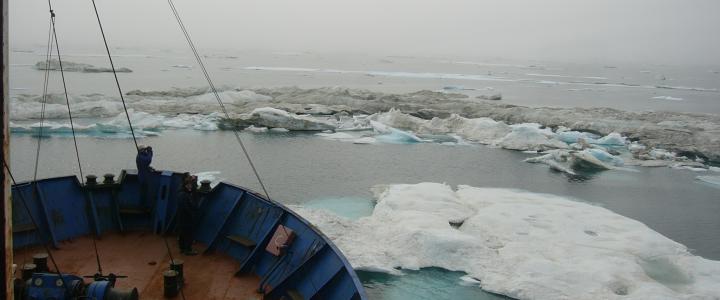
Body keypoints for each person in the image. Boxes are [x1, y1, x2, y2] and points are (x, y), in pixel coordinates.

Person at [178, 173, 200, 256]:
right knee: (188, 233)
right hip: (186, 217)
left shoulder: (182, 192)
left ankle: (182, 249)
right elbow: (186, 207)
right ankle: (188, 250)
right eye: (189, 185)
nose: (190, 187)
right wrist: (192, 213)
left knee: (183, 233)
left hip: (183, 217)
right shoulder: (184, 195)